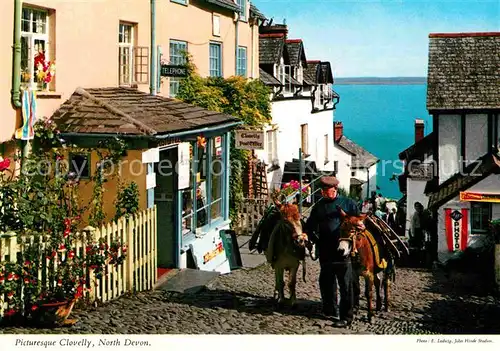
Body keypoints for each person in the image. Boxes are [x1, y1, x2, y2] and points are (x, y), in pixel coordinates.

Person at [304, 176, 360, 327]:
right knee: (326, 282)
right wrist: (311, 237)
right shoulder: (319, 206)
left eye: (326, 190)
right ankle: (330, 310)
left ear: (334, 189)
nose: (323, 193)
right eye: (322, 190)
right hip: (325, 250)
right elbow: (310, 226)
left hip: (343, 251)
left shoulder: (349, 204)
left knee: (346, 284)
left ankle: (346, 317)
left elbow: (358, 223)